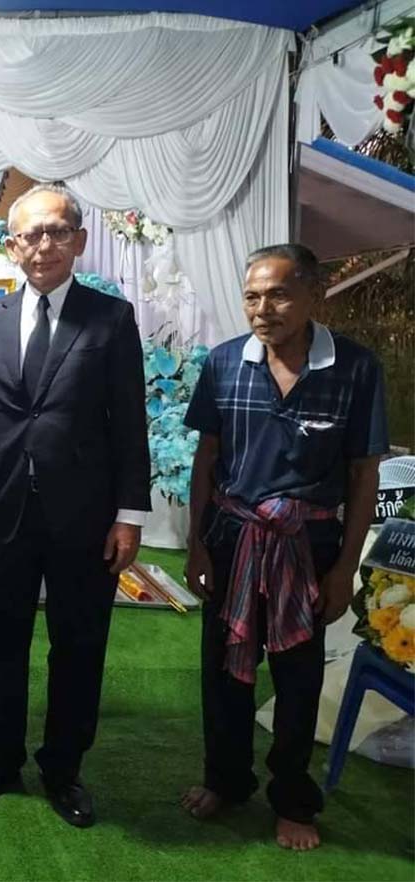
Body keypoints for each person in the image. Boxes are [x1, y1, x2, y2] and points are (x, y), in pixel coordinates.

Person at [0, 183, 150, 827]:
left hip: (85, 517)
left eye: (57, 231)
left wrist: (129, 515)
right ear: (13, 246)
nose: (44, 245)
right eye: (31, 234)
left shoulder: (110, 319)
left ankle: (63, 769)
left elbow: (130, 422)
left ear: (79, 240)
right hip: (3, 511)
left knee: (79, 646)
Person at [180, 244, 386, 851]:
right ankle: (225, 780)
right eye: (251, 297)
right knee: (224, 672)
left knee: (297, 678)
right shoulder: (224, 363)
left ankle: (293, 801)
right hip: (232, 538)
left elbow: (364, 476)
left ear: (313, 295)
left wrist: (344, 569)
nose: (262, 309)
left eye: (278, 295)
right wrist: (196, 546)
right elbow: (206, 460)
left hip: (309, 545)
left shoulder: (354, 368)